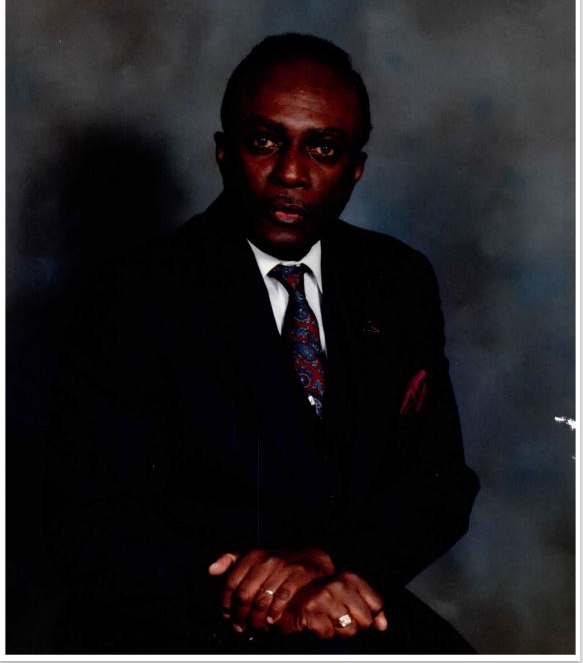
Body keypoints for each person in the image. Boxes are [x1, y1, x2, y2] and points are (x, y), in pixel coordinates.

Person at [48, 33, 480, 654]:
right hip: (188, 620)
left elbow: (439, 484)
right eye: (265, 141)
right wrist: (272, 599)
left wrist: (329, 564)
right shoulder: (133, 295)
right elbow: (87, 526)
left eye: (323, 148)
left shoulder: (397, 280)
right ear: (224, 152)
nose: (291, 174)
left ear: (356, 169)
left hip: (344, 594)